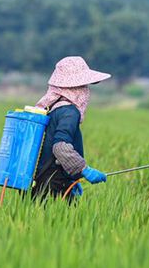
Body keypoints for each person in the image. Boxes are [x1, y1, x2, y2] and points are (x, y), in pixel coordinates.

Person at [32, 56, 111, 202]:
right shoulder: (69, 112)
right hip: (55, 187)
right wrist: (84, 170)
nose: (86, 91)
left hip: (40, 183)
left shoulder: (52, 108)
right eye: (84, 86)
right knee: (64, 222)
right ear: (76, 88)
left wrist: (73, 178)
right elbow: (60, 147)